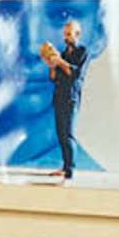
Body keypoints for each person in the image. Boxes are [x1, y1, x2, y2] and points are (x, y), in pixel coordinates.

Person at [36, 14, 90, 181]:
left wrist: (59, 62)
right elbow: (54, 78)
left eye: (69, 34)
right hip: (58, 96)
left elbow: (75, 74)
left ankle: (70, 170)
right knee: (61, 134)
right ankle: (65, 167)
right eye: (64, 34)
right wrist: (52, 66)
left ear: (77, 34)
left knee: (68, 134)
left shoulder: (83, 51)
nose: (65, 37)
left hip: (71, 98)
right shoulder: (64, 53)